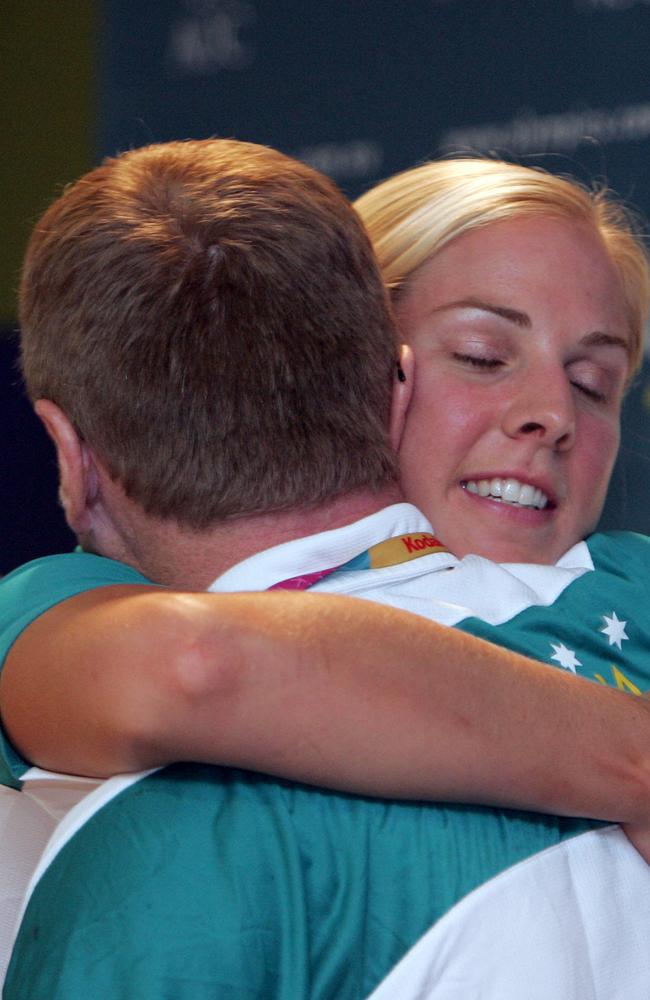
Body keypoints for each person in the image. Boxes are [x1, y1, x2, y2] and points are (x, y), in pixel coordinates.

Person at [2, 142, 650, 997]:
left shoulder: (628, 588)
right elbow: (196, 664)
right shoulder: (84, 602)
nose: (551, 415)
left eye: (596, 382)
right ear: (372, 369)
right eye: (484, 357)